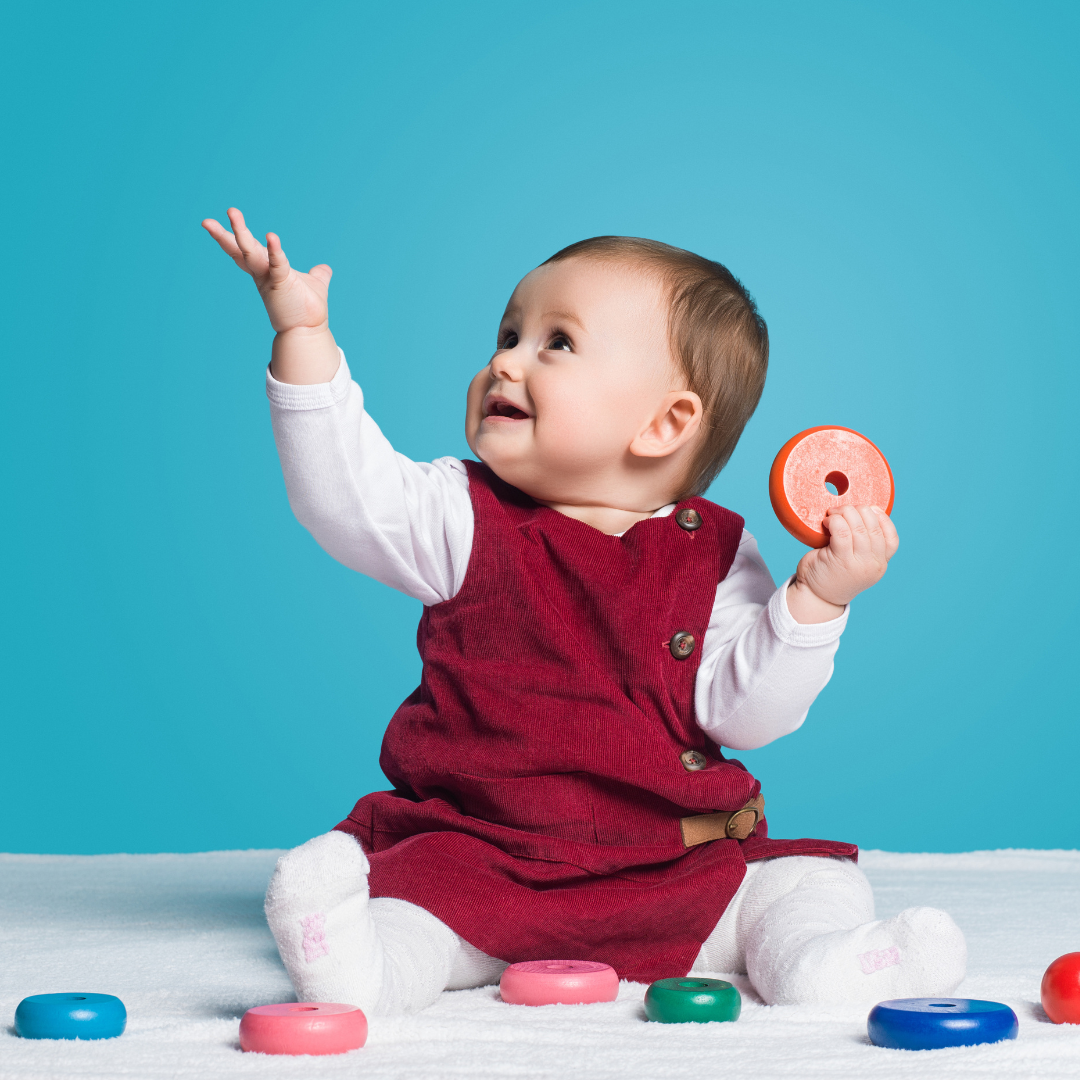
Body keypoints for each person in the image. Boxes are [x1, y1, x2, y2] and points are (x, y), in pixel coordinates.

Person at [202, 209, 966, 1015]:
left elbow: (745, 714)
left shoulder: (716, 554)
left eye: (555, 343)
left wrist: (818, 600)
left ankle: (820, 964)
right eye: (507, 334)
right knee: (418, 908)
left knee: (808, 881)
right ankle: (356, 965)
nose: (505, 361)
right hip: (486, 852)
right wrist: (305, 340)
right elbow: (343, 493)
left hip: (668, 862)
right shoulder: (460, 517)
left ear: (665, 423)